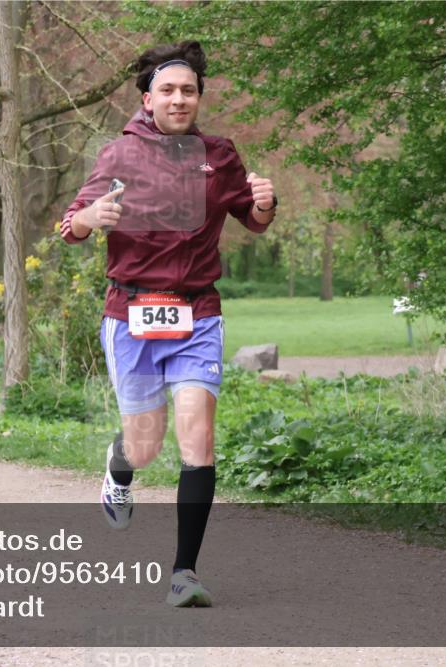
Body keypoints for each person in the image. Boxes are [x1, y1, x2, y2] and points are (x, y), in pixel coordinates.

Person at [60, 41, 277, 607]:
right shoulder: (118, 157)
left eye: (189, 90)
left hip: (198, 311)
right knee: (146, 444)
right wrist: (89, 216)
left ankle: (185, 574)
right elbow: (70, 227)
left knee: (198, 440)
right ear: (147, 98)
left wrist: (264, 203)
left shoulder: (218, 155)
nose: (179, 99)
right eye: (169, 90)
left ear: (199, 98)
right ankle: (121, 463)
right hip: (130, 313)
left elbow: (251, 221)